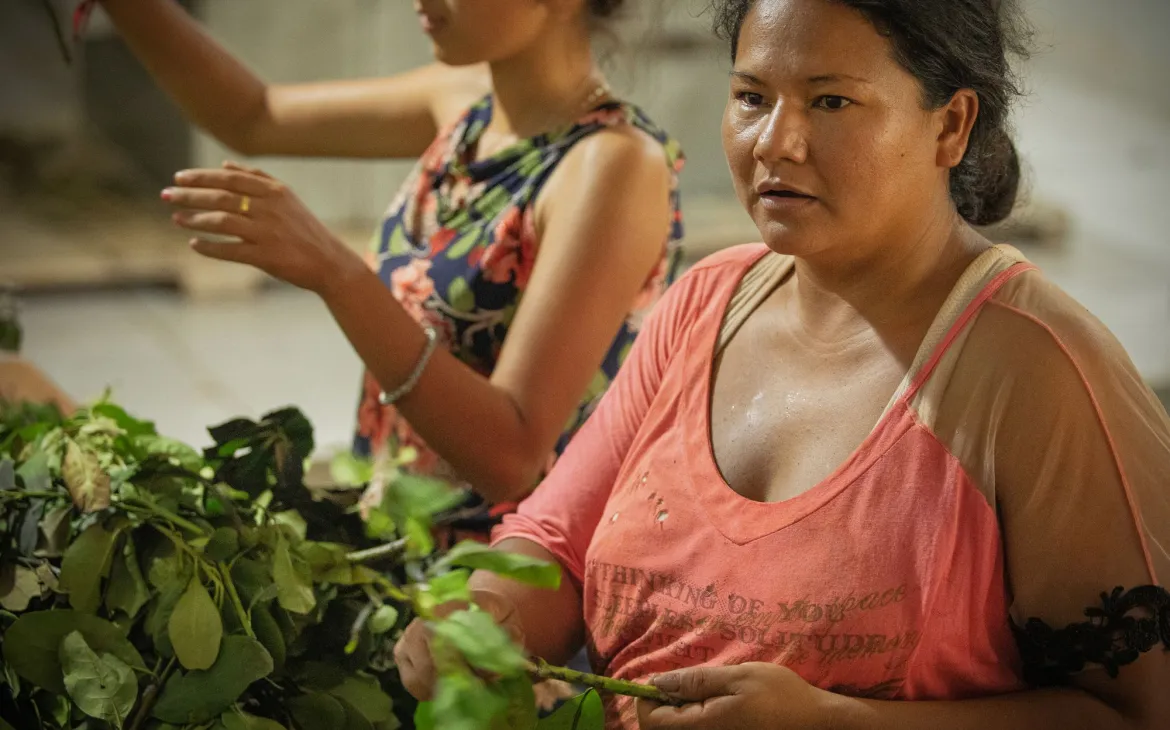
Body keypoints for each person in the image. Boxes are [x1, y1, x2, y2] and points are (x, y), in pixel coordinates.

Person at [394, 0, 1170, 727]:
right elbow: (556, 543)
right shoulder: (706, 305)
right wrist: (486, 616)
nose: (774, 143)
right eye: (751, 98)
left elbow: (1137, 712)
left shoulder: (1033, 371)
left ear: (951, 125)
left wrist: (840, 723)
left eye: (830, 102)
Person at [97, 0, 685, 538]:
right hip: (392, 539)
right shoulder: (469, 103)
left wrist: (337, 273)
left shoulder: (613, 167)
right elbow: (251, 116)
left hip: (498, 585)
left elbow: (509, 458)